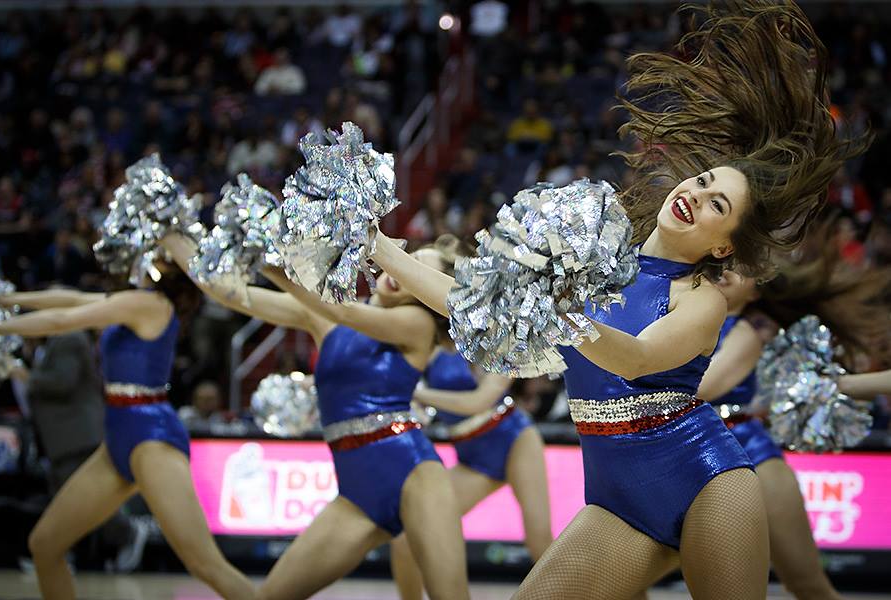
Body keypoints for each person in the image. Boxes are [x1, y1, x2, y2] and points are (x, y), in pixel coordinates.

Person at [365, 2, 866, 598]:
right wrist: (380, 247)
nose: (697, 196)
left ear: (725, 247)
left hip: (706, 479)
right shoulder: (600, 259)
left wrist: (557, 312)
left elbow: (635, 360)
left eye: (718, 207)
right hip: (615, 495)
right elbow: (477, 305)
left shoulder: (700, 298)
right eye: (704, 182)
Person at [159, 232, 470, 600]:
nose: (405, 270)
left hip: (416, 476)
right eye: (411, 258)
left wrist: (273, 260)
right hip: (356, 493)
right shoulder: (324, 318)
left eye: (419, 272)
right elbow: (229, 292)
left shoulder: (415, 325)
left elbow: (344, 309)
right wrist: (171, 234)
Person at [0, 271, 255, 600]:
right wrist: (7, 300)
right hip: (118, 435)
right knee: (45, 545)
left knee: (206, 566)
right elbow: (70, 298)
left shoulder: (149, 303)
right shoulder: (133, 301)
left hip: (152, 438)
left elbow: (64, 319)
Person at [702, 250, 890, 600]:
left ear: (756, 292)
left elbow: (702, 388)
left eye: (739, 270)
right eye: (722, 265)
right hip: (685, 453)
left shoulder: (754, 326)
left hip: (747, 453)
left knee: (807, 585)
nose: (725, 273)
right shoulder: (687, 315)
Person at [390, 251, 553, 600]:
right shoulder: (417, 333)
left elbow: (479, 401)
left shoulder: (481, 326)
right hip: (471, 455)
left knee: (539, 541)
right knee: (406, 539)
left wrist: (421, 394)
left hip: (513, 438)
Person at [13, 332, 144, 572]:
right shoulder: (52, 344)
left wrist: (26, 376)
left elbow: (62, 381)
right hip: (62, 439)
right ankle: (58, 554)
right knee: (64, 502)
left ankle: (125, 532)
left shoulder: (69, 339)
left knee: (85, 501)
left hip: (76, 436)